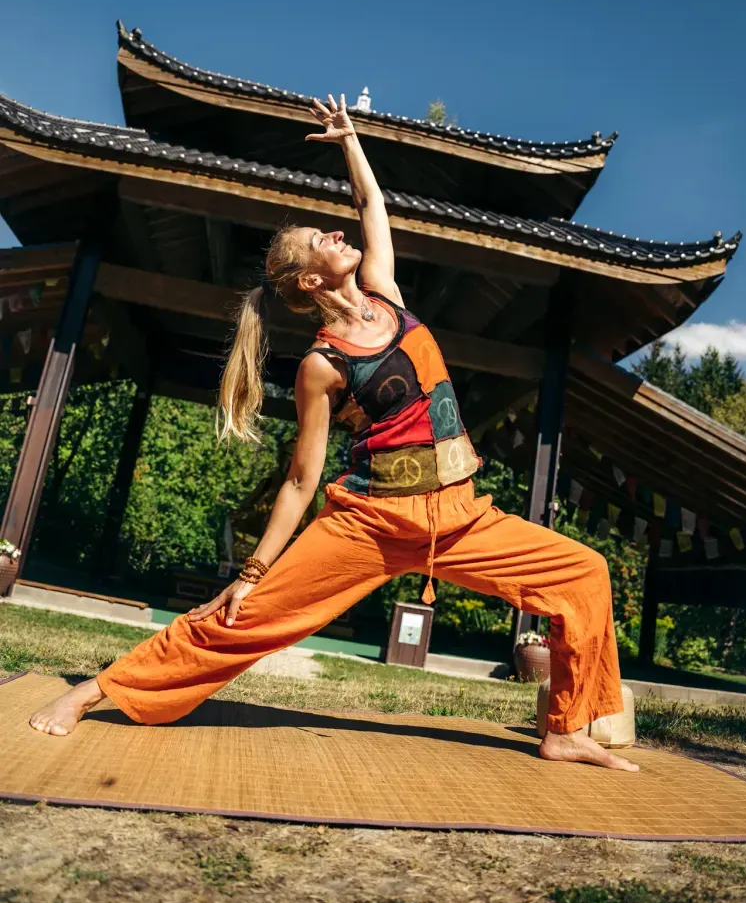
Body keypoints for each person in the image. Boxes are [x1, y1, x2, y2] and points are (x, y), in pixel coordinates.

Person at [29, 94, 637, 772]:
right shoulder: (323, 366)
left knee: (584, 573)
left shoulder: (386, 292)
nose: (337, 235)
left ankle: (565, 729)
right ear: (312, 278)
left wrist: (351, 141)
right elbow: (301, 477)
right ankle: (95, 691)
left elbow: (374, 211)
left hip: (459, 516)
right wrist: (253, 572)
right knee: (249, 618)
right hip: (371, 523)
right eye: (321, 240)